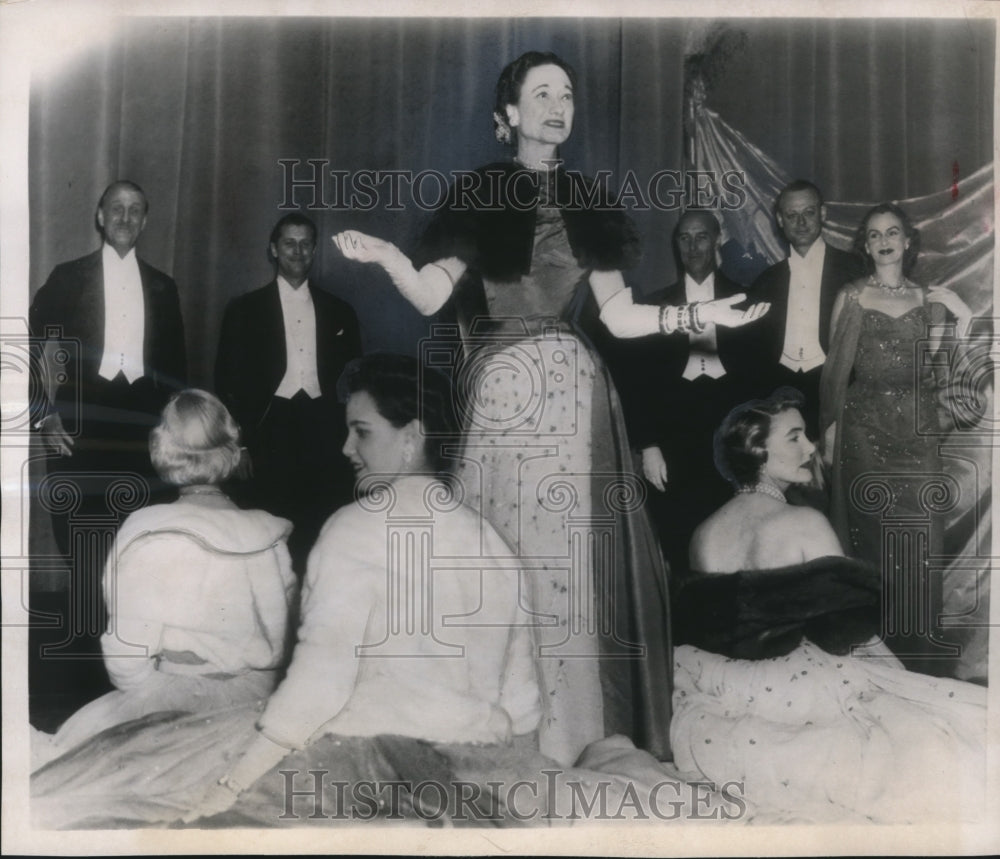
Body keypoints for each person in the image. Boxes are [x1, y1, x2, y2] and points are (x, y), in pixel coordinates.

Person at [331, 51, 768, 766]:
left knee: (568, 566)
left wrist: (702, 309)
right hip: (502, 393)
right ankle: (497, 724)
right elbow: (435, 296)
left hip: (572, 393)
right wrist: (386, 257)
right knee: (502, 557)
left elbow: (621, 315)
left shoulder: (590, 201)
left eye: (565, 94)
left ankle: (567, 740)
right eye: (541, 94)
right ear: (508, 115)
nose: (557, 105)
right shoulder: (477, 195)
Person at [32, 355, 542, 828]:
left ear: (412, 438)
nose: (346, 449)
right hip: (475, 767)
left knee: (107, 795)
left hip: (368, 762)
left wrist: (230, 785)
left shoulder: (354, 529)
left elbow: (314, 692)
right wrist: (507, 805)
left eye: (361, 433)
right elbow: (523, 706)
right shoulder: (493, 541)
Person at [671, 389, 986, 823]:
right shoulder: (803, 522)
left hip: (724, 685)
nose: (811, 447)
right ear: (757, 450)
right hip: (803, 683)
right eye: (795, 438)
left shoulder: (703, 533)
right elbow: (845, 632)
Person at [32, 390, 296, 768]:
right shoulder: (268, 533)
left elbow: (126, 650)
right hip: (253, 698)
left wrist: (145, 699)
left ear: (161, 450)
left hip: (169, 696)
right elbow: (282, 635)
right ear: (232, 451)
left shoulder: (149, 531)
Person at [29, 180, 187, 716]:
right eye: (115, 208)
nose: (124, 217)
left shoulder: (163, 287)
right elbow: (25, 343)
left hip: (142, 442)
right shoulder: (68, 278)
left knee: (138, 559)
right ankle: (81, 695)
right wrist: (40, 412)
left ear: (144, 221)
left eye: (135, 210)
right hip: (79, 437)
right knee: (84, 557)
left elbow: (178, 372)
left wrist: (173, 436)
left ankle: (134, 693)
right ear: (99, 217)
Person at [819, 202, 976, 672]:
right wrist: (828, 439)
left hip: (916, 433)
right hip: (863, 433)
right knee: (871, 548)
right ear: (865, 246)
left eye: (892, 232)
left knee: (921, 547)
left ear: (908, 242)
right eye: (873, 234)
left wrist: (962, 317)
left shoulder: (929, 298)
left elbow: (936, 375)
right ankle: (873, 663)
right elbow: (833, 376)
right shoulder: (850, 294)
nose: (883, 240)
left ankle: (917, 660)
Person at [606, 210, 759, 575]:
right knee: (680, 538)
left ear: (717, 239)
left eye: (701, 236)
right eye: (684, 238)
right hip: (676, 438)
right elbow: (638, 382)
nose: (692, 246)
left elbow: (761, 377)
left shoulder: (745, 301)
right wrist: (649, 445)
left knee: (738, 539)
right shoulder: (655, 308)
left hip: (732, 435)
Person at [216, 212, 362, 572]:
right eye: (289, 243)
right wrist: (240, 444)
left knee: (320, 533)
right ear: (273, 250)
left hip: (323, 432)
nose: (297, 251)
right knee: (268, 536)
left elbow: (356, 383)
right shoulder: (244, 310)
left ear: (314, 251)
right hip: (268, 431)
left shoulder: (341, 311)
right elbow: (225, 382)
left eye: (305, 243)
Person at [745, 180, 864, 437]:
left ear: (822, 213)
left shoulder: (855, 271)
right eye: (791, 215)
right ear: (779, 219)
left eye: (809, 213)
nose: (801, 222)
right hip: (780, 395)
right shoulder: (765, 282)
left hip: (838, 392)